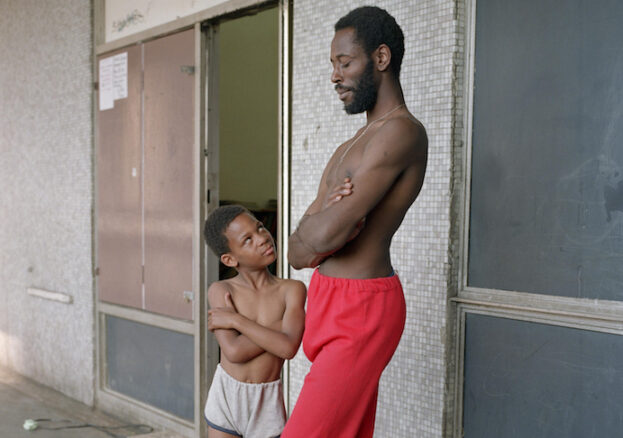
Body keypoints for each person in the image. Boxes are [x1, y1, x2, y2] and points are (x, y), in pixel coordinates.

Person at [282, 6, 428, 438]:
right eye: (333, 65)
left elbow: (326, 234)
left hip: (363, 310)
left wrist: (326, 220)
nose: (334, 76)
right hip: (328, 299)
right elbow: (295, 253)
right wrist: (329, 220)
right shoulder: (350, 145)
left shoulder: (402, 133)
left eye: (345, 63)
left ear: (381, 59)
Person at [203, 204, 306, 438]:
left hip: (267, 401)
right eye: (247, 240)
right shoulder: (221, 290)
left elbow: (288, 348)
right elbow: (234, 352)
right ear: (229, 259)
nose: (262, 238)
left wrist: (236, 320)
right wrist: (280, 329)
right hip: (227, 397)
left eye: (259, 228)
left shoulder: (292, 289)